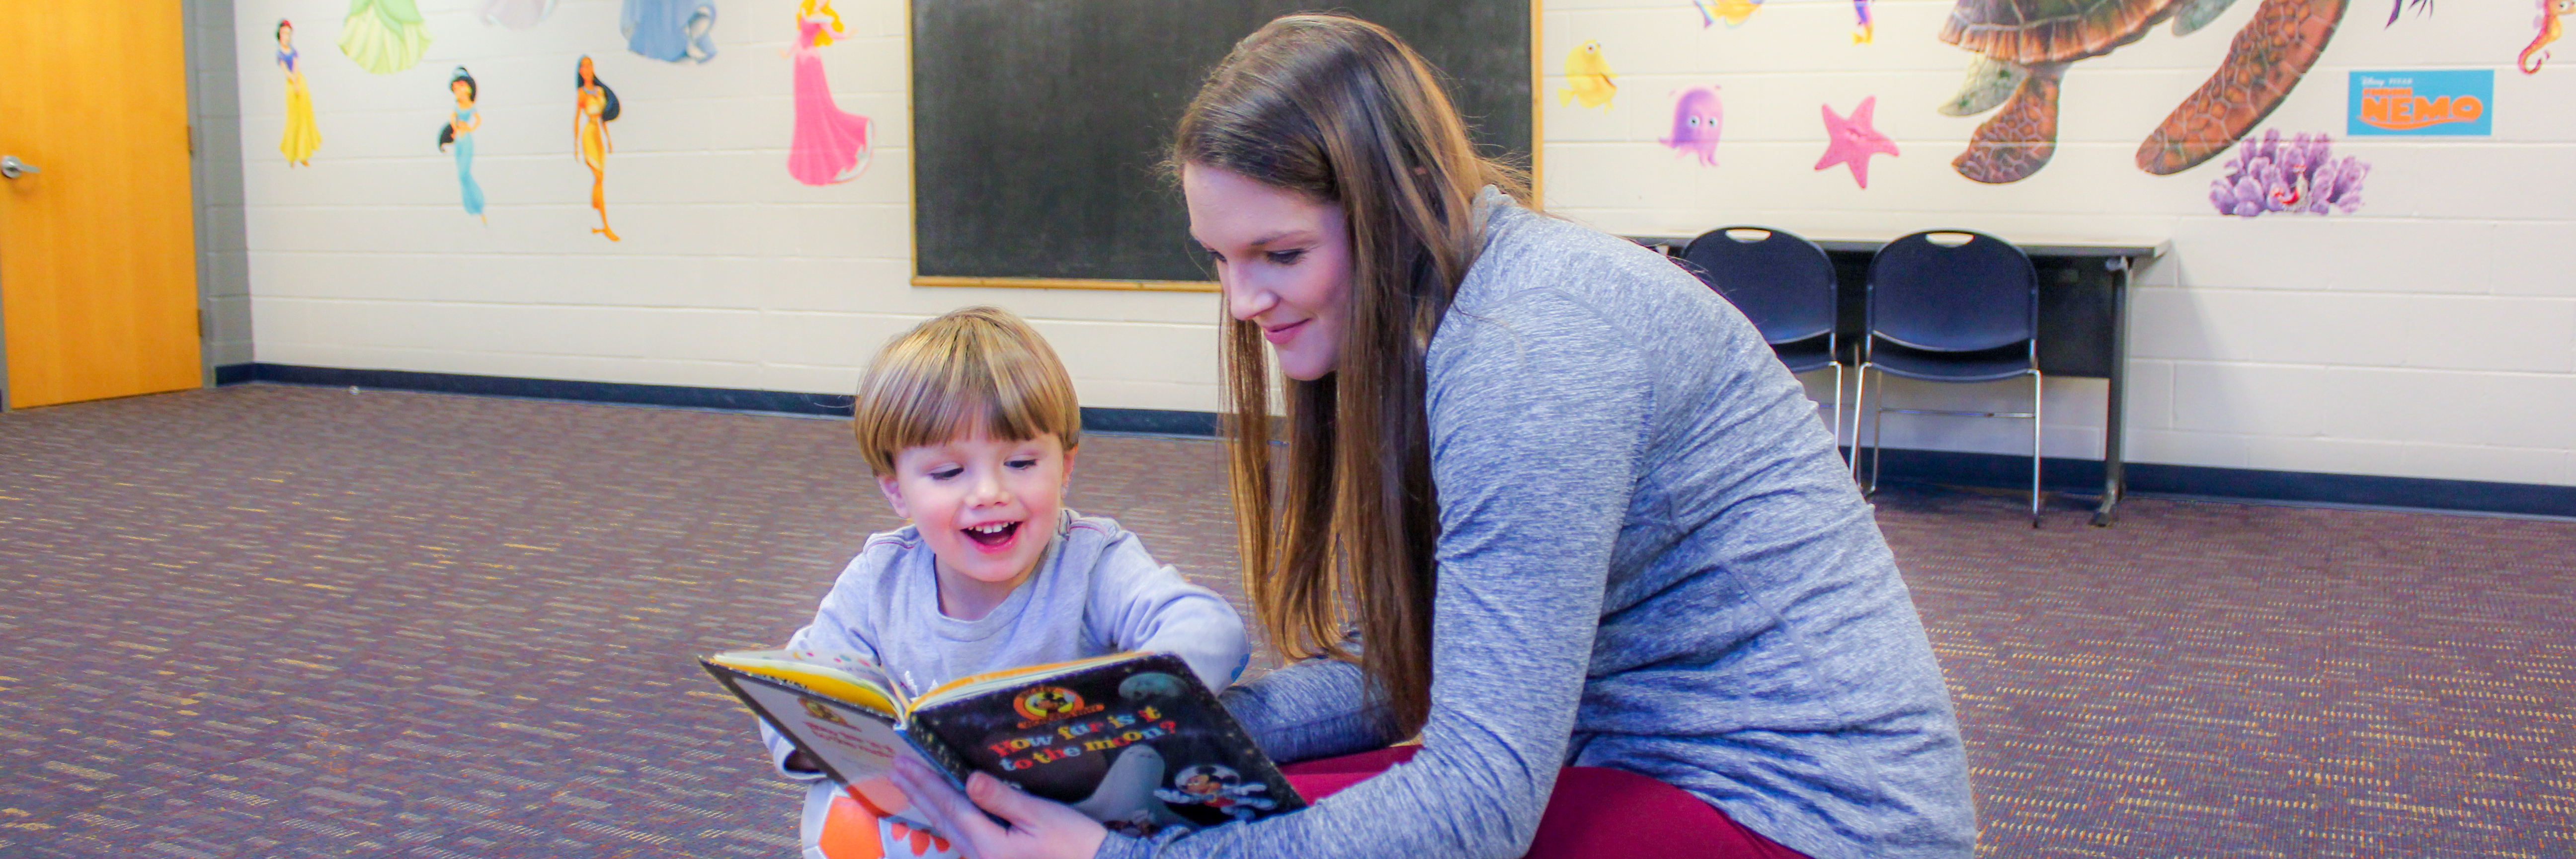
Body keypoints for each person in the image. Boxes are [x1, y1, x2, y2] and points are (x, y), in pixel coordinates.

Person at [886, 14, 1975, 859]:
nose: (1243, 302)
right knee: (1196, 805)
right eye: (1218, 259)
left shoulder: (1525, 346)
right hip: (1620, 757)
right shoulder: (1427, 314)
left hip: (1802, 813)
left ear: (1395, 201)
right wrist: (1161, 729)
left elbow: (1474, 805)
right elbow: (1400, 674)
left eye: (1277, 254)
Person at [763, 307, 1251, 855]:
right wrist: (842, 743)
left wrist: (1104, 711)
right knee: (841, 808)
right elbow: (790, 699)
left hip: (1054, 819)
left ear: (1065, 467)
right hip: (929, 814)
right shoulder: (878, 579)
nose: (989, 492)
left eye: (1021, 462)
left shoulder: (1092, 559)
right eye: (949, 473)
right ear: (897, 491)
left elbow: (1213, 632)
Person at [572, 56, 621, 241]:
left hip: (599, 135)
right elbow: (577, 119)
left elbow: (603, 118)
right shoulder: (582, 94)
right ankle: (605, 225)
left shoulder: (600, 91)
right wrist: (576, 144)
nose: (587, 69)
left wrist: (608, 139)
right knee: (599, 177)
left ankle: (596, 215)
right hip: (589, 134)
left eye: (589, 65)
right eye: (583, 67)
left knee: (600, 178)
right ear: (580, 71)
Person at [438, 67, 485, 223]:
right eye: (456, 88)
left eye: (461, 86)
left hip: (466, 140)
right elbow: (453, 117)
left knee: (464, 174)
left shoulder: (470, 106)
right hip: (458, 138)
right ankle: (471, 206)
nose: (458, 90)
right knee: (461, 176)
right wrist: (455, 127)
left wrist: (470, 128)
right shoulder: (457, 106)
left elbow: (478, 119)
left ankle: (478, 204)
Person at [275, 20, 321, 167]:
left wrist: (297, 81)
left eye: (289, 34)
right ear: (280, 35)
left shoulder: (293, 51)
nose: (287, 37)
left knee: (304, 117)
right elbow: (286, 71)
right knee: (293, 120)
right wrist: (294, 82)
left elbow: (296, 66)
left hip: (300, 83)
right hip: (291, 86)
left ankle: (303, 154)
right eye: (284, 34)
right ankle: (291, 154)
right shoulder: (280, 53)